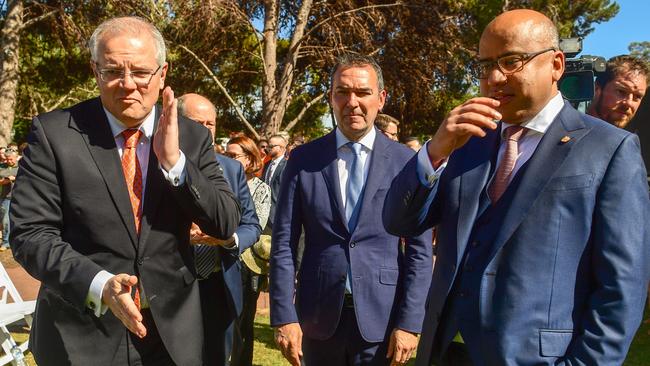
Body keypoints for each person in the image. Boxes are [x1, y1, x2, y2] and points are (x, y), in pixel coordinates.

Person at [383, 9, 650, 365]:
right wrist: (434, 152)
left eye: (511, 61)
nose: (494, 77)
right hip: (444, 350)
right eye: (484, 65)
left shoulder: (610, 149)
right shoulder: (468, 141)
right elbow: (399, 222)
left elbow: (622, 288)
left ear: (556, 65)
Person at [9, 17, 241, 366]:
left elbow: (224, 222)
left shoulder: (190, 136)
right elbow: (30, 234)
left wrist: (175, 164)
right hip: (81, 332)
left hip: (171, 337)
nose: (127, 84)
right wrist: (98, 283)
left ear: (162, 74)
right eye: (113, 71)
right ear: (95, 71)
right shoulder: (55, 134)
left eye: (141, 72)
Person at [270, 53, 433, 366]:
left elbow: (419, 250)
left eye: (363, 92)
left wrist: (411, 322)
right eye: (342, 92)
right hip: (317, 318)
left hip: (382, 319)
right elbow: (283, 245)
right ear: (331, 98)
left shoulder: (406, 163)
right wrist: (283, 316)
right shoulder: (303, 160)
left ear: (381, 98)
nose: (352, 102)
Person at [178, 93, 261, 365]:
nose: (205, 130)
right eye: (196, 122)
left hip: (219, 283)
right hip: (175, 282)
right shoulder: (157, 164)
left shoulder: (232, 169)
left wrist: (228, 239)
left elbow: (252, 225)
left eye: (210, 123)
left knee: (216, 358)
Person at [224, 135, 272, 366]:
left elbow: (257, 224)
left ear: (250, 158)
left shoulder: (261, 189)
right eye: (227, 155)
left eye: (234, 156)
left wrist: (224, 227)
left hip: (248, 264)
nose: (228, 160)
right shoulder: (219, 181)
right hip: (220, 261)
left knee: (243, 322)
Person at [587, 55, 648, 129]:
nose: (629, 103)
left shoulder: (632, 139)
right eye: (621, 92)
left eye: (637, 96)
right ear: (596, 88)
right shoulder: (569, 129)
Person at [261, 134, 287, 233]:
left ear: (281, 148)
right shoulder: (267, 165)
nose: (268, 148)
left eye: (271, 146)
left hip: (279, 216)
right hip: (265, 217)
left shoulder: (287, 165)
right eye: (268, 146)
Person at [0, 145, 18, 250]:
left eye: (11, 159)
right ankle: (6, 242)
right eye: (7, 159)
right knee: (5, 221)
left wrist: (16, 178)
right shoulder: (2, 167)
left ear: (16, 157)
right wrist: (6, 180)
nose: (9, 161)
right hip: (6, 198)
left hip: (19, 197)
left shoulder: (22, 166)